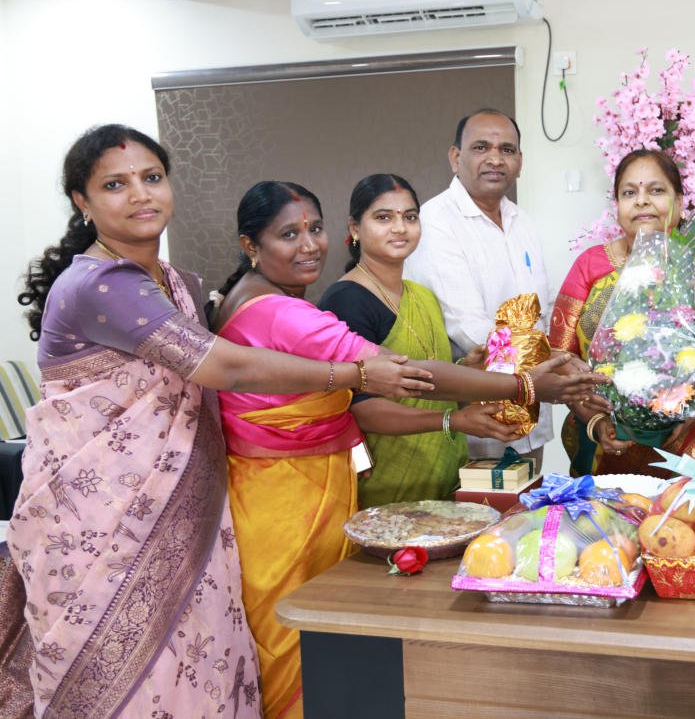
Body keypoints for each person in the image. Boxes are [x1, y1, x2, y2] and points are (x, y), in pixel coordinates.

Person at [6, 125, 432, 719]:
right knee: (134, 683)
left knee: (201, 664)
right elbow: (223, 368)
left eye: (152, 177)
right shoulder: (97, 285)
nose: (141, 194)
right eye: (115, 185)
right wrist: (354, 374)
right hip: (103, 521)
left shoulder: (176, 283)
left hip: (187, 504)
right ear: (82, 201)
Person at [208, 180, 599, 718]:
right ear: (251, 245)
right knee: (297, 633)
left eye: (314, 229)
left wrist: (492, 371)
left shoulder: (266, 299)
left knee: (315, 629)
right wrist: (525, 386)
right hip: (286, 497)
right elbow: (401, 374)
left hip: (295, 486)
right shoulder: (286, 312)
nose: (309, 245)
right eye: (289, 235)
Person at [319, 174, 523, 507]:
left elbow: (427, 377)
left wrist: (466, 367)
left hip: (446, 468)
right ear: (355, 228)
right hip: (387, 478)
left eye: (410, 217)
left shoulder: (423, 295)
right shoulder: (346, 300)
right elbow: (361, 408)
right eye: (383, 217)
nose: (400, 228)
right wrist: (452, 421)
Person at [549, 149, 695, 477]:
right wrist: (595, 418)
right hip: (605, 457)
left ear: (679, 201)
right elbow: (558, 356)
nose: (641, 201)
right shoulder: (591, 265)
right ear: (617, 206)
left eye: (656, 190)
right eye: (629, 193)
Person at [404, 109, 554, 473]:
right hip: (474, 423)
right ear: (456, 157)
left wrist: (553, 365)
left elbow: (543, 309)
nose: (495, 159)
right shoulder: (435, 223)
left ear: (520, 162)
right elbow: (468, 328)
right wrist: (553, 366)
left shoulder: (523, 222)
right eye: (481, 147)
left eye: (507, 150)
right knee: (479, 509)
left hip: (531, 416)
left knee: (527, 506)